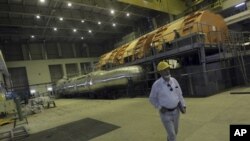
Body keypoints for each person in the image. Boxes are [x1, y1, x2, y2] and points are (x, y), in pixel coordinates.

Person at [149, 61, 186, 141]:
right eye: (164, 70)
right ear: (160, 72)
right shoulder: (156, 85)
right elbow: (152, 98)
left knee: (175, 132)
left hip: (176, 112)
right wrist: (159, 107)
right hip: (165, 114)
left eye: (168, 69)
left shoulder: (174, 81)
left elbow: (179, 94)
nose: (167, 71)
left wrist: (183, 105)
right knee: (172, 134)